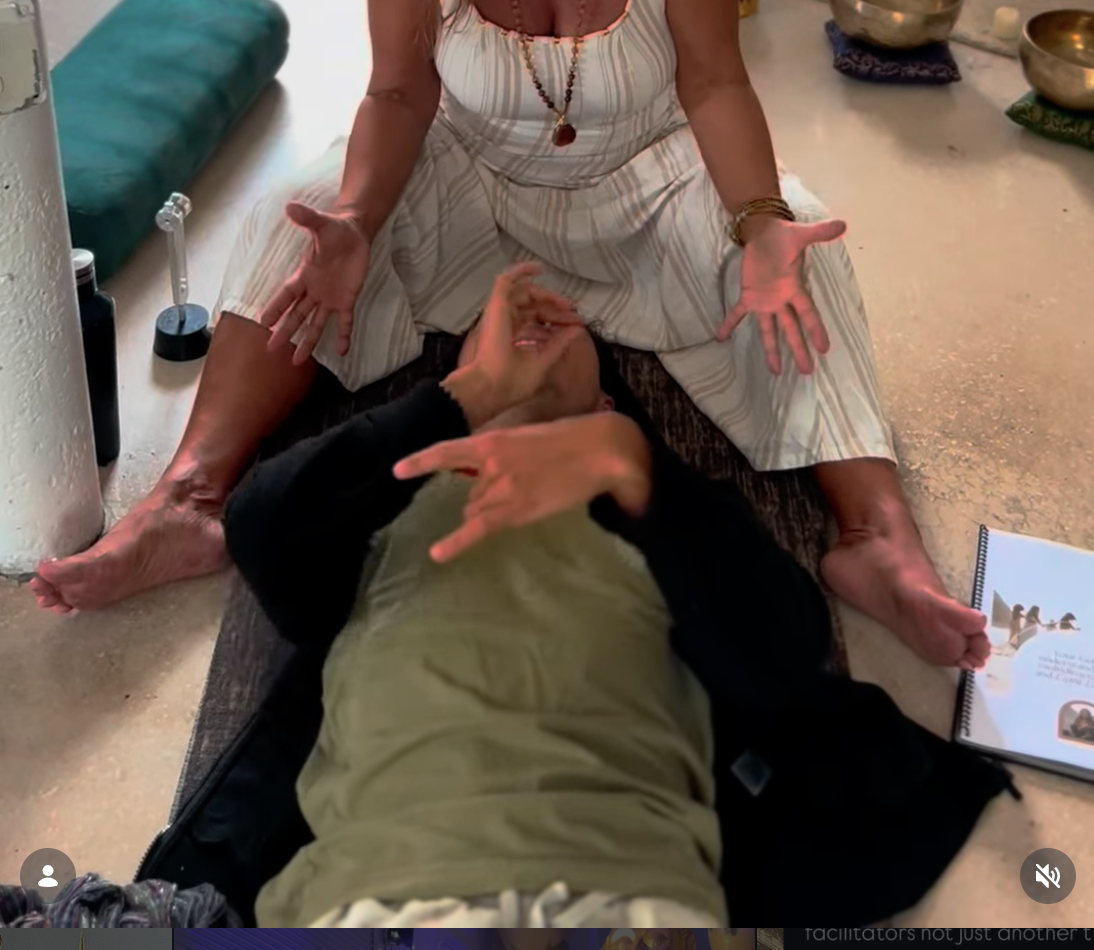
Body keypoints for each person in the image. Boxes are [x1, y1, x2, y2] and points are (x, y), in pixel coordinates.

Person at [31, 0, 988, 674]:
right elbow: (398, 93)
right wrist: (357, 217)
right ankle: (186, 498)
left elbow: (711, 81)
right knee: (300, 212)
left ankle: (875, 542)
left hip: (647, 178)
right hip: (474, 173)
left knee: (801, 240)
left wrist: (753, 220)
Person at [222, 264, 1008, 927]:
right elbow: (258, 528)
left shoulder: (655, 508)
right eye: (503, 337)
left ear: (606, 402)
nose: (536, 325)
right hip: (375, 894)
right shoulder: (392, 499)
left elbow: (789, 659)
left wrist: (632, 466)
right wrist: (466, 396)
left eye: (568, 329)